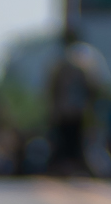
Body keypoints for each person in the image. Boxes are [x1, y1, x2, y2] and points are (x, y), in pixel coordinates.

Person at [44, 26, 107, 175]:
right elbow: (95, 87)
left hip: (69, 111)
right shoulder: (86, 59)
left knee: (73, 145)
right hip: (76, 111)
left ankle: (72, 170)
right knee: (72, 145)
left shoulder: (62, 60)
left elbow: (52, 88)